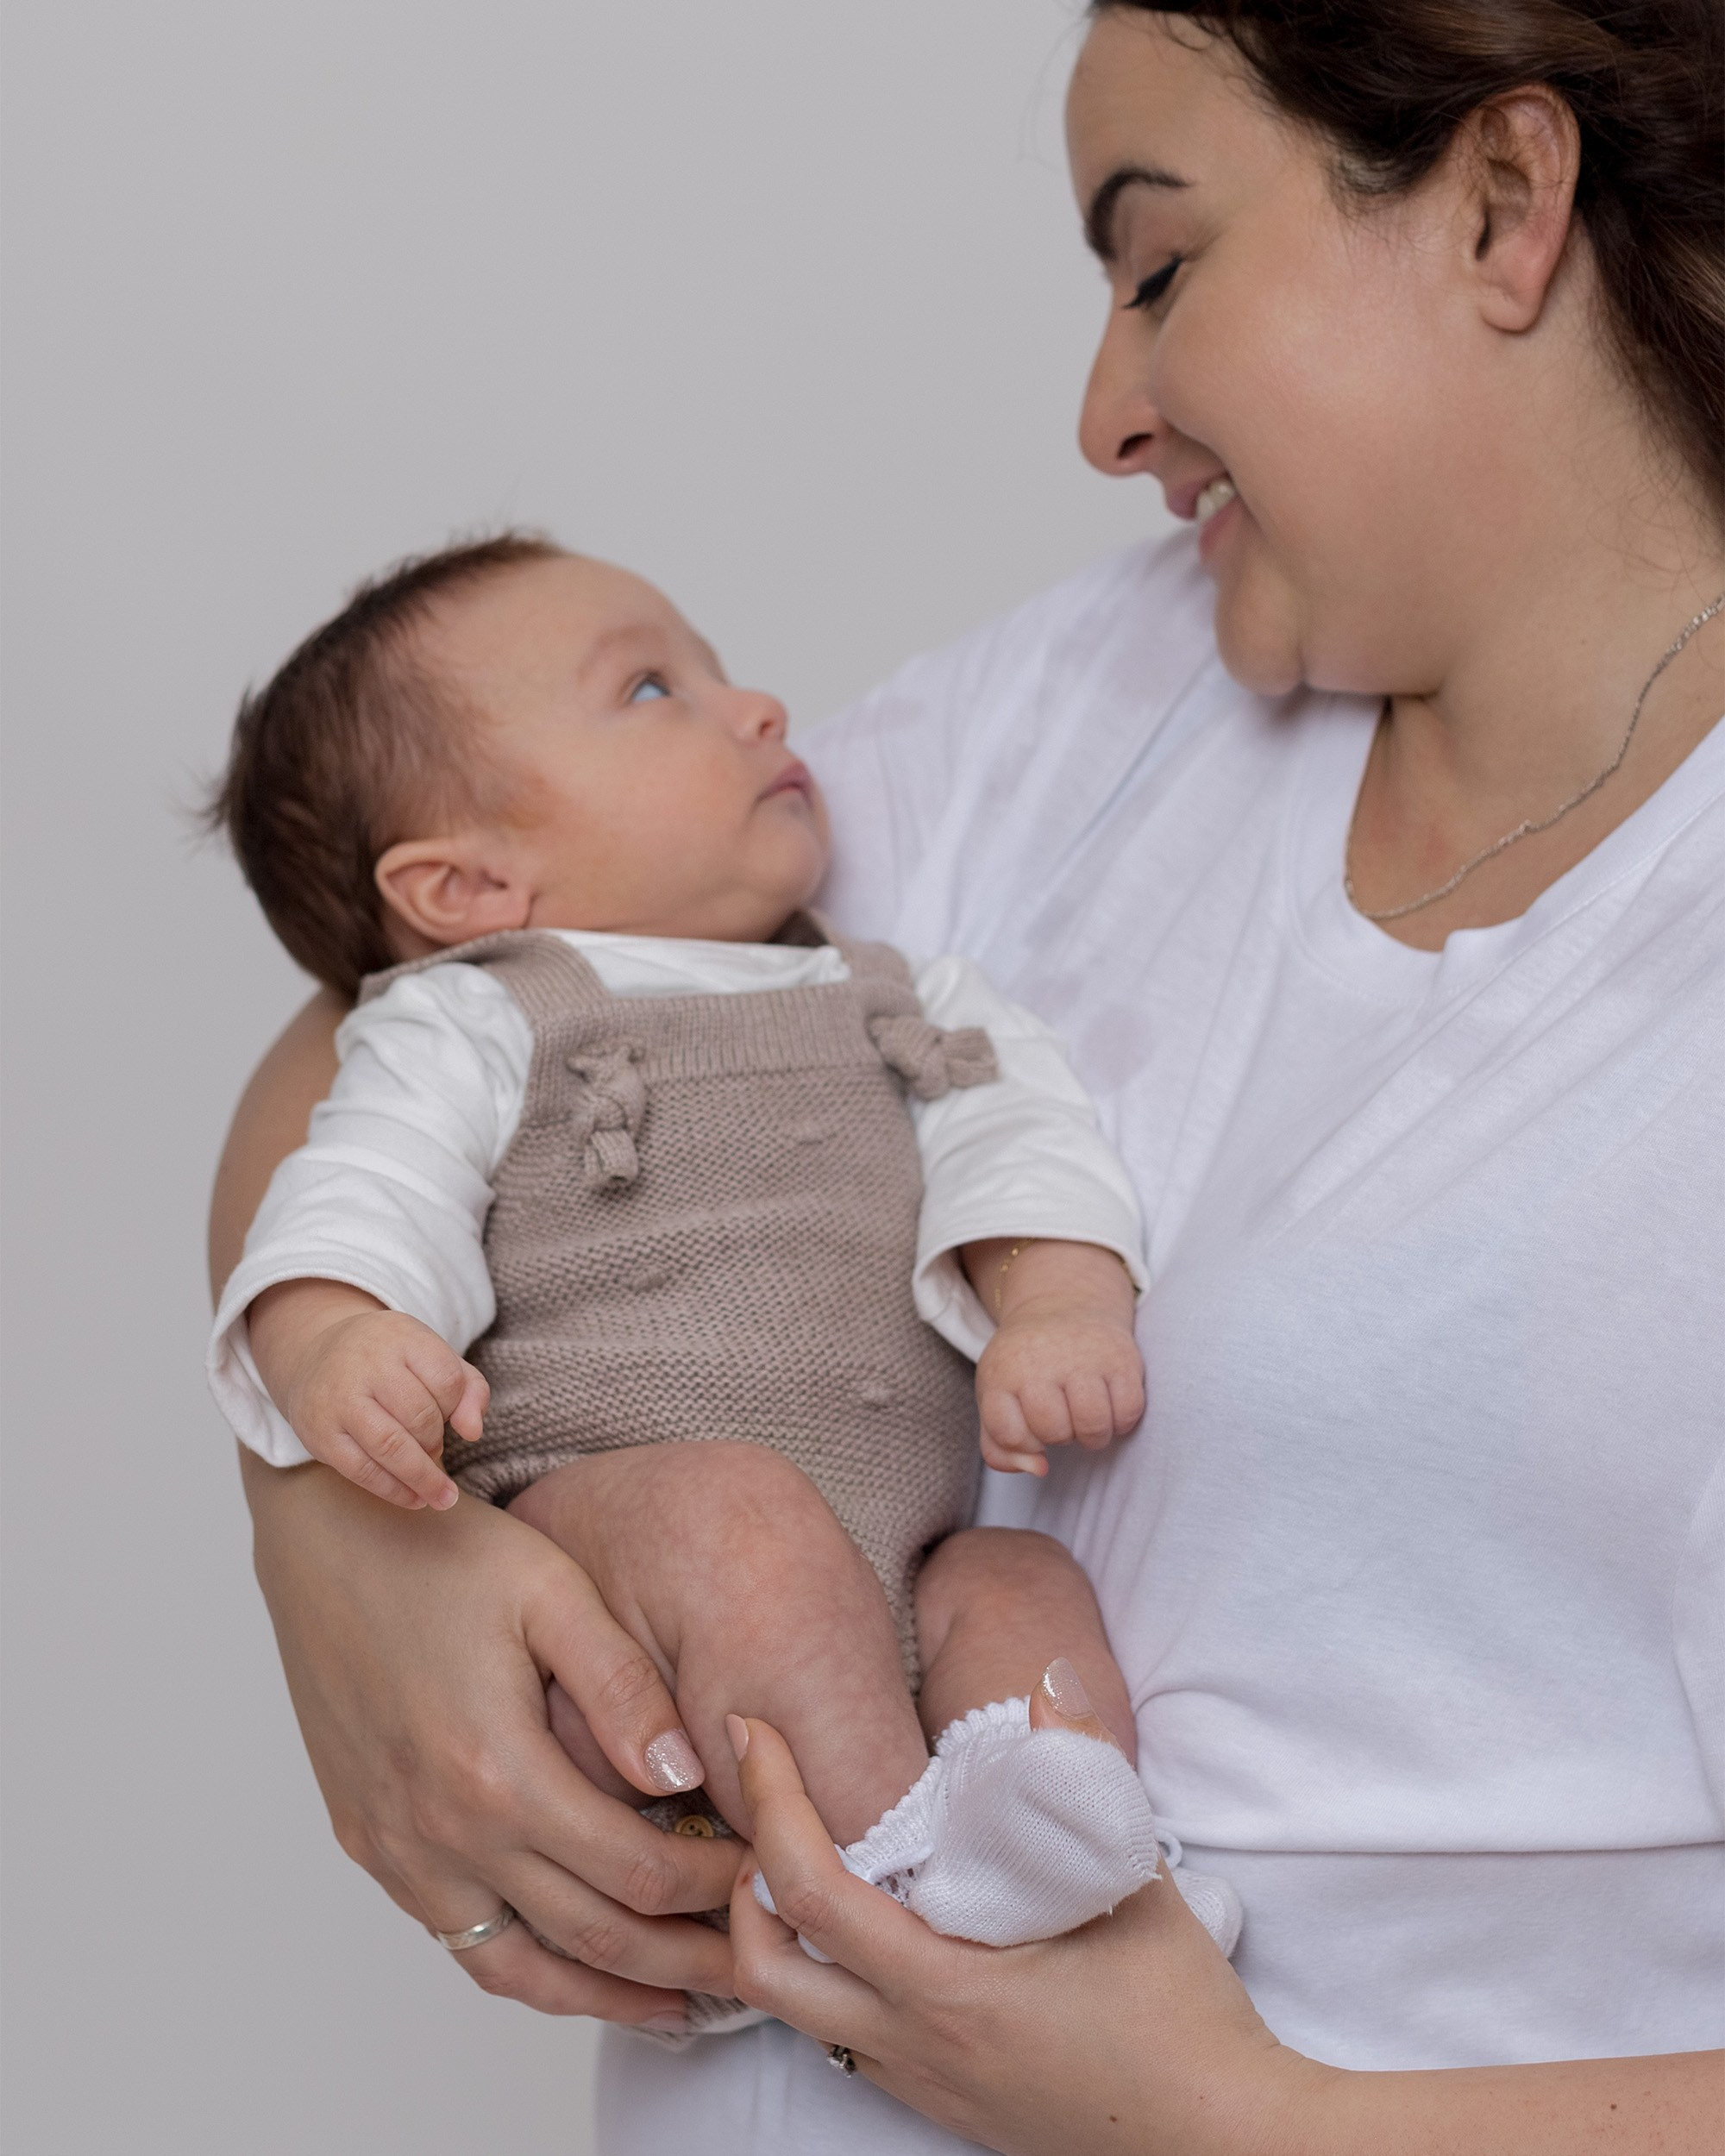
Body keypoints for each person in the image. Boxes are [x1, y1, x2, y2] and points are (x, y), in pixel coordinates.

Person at [210, 1, 1723, 2147]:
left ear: (1504, 201)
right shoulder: (1115, 693)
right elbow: (439, 999)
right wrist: (342, 1542)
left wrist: (1244, 2118)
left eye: (1161, 265)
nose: (1104, 413)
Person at [204, 537, 1240, 2030]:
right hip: (629, 1583)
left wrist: (1057, 1299)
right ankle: (897, 1917)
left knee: (1018, 1589)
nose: (758, 707)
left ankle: (1089, 1886)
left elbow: (1020, 1137)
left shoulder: (895, 992)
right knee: (736, 1521)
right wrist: (330, 1348)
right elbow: (357, 1194)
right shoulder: (474, 1020)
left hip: (903, 1556)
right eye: (650, 689)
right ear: (470, 883)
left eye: (716, 670)